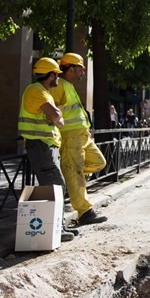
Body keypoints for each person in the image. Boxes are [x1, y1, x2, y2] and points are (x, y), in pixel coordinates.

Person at [18, 57, 75, 242]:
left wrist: (56, 117)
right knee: (54, 185)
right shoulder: (36, 91)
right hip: (40, 146)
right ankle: (57, 229)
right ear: (50, 75)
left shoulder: (42, 91)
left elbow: (56, 116)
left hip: (45, 145)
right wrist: (56, 117)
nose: (58, 78)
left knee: (54, 185)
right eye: (57, 74)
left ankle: (57, 227)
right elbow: (56, 115)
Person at [50, 53, 108, 226]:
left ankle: (71, 178)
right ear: (70, 69)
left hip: (82, 137)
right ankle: (85, 212)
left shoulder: (68, 85)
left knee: (99, 162)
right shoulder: (59, 86)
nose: (82, 73)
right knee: (76, 174)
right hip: (70, 138)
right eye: (80, 69)